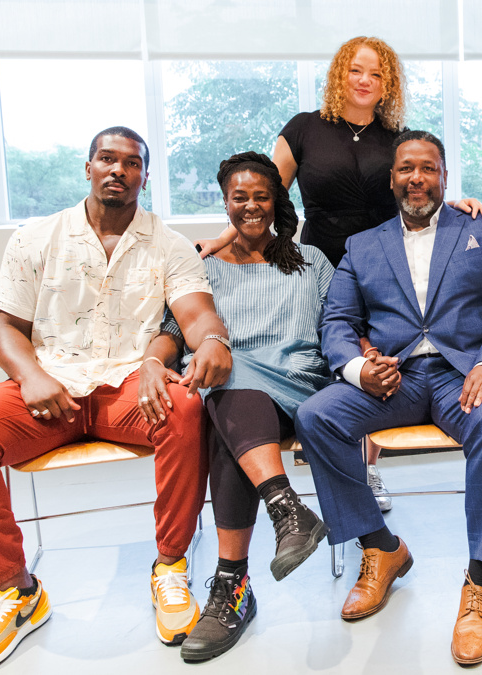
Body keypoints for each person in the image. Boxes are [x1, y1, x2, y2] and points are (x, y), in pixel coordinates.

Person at [0, 127, 233, 674]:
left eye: (132, 163)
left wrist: (211, 339)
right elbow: (6, 332)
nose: (119, 170)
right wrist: (29, 377)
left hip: (126, 389)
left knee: (187, 409)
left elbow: (196, 315)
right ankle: (18, 591)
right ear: (88, 168)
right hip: (50, 389)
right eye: (107, 159)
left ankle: (169, 566)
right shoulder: (34, 237)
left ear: (144, 175)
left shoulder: (168, 243)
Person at [195, 36, 482, 513]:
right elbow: (262, 194)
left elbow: (417, 184)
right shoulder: (304, 129)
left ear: (388, 83)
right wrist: (223, 239)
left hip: (381, 266)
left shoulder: (394, 136)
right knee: (334, 357)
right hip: (318, 255)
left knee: (374, 357)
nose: (365, 81)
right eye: (357, 71)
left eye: (377, 74)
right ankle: (326, 456)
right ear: (340, 74)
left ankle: (367, 471)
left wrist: (455, 205)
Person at [294, 130, 482, 666]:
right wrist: (358, 369)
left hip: (465, 376)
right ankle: (381, 547)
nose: (417, 178)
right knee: (316, 416)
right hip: (394, 378)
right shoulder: (364, 245)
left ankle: (480, 584)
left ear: (445, 176)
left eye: (428, 168)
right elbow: (337, 320)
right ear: (393, 178)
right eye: (406, 169)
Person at [140, 152, 332, 662]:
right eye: (239, 197)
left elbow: (338, 327)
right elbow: (172, 332)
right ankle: (277, 521)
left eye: (261, 196)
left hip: (297, 384)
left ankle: (232, 589)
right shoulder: (200, 270)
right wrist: (153, 364)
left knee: (222, 380)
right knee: (224, 387)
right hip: (233, 397)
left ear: (276, 201)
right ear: (225, 203)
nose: (251, 205)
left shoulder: (310, 261)